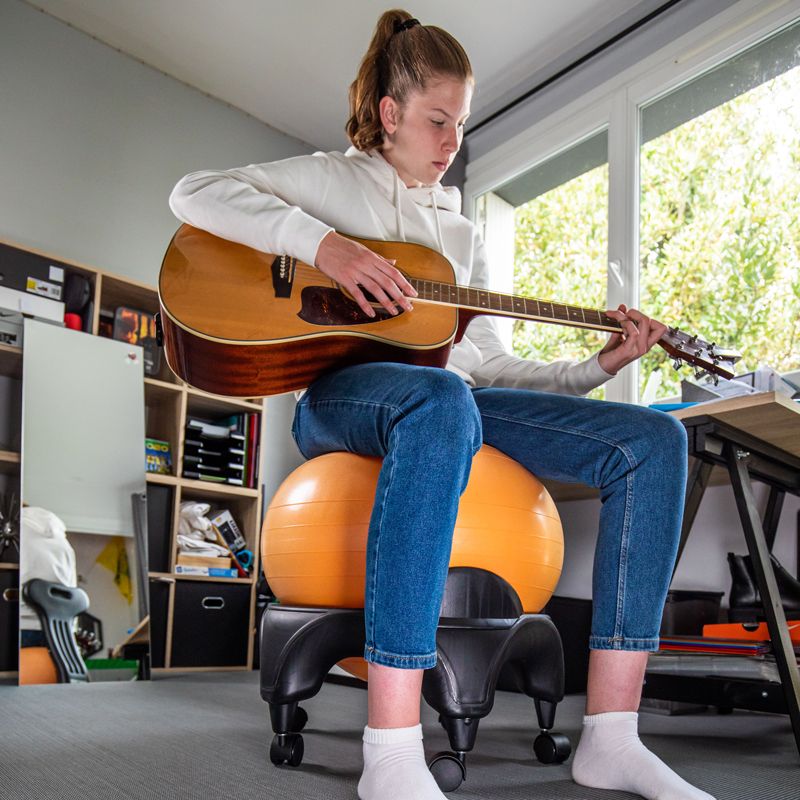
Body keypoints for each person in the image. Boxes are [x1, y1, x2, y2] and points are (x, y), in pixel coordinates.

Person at [170, 9, 715, 800]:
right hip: (339, 397)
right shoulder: (335, 178)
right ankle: (391, 750)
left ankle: (612, 738)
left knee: (654, 440)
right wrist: (325, 246)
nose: (451, 140)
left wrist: (600, 365)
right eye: (436, 120)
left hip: (447, 400)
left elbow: (489, 366)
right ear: (390, 115)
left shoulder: (459, 236)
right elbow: (193, 192)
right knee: (439, 400)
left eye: (460, 123)